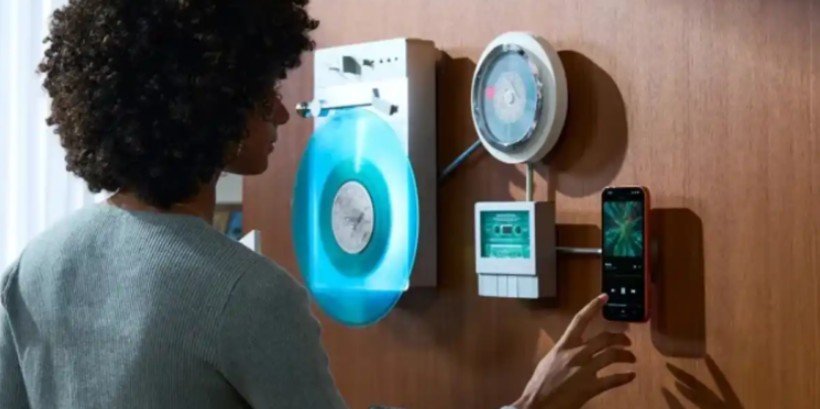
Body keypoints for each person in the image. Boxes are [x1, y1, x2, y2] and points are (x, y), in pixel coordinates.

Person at [0, 1, 636, 408]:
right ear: (204, 106)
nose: (282, 113)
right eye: (261, 94)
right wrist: (532, 404)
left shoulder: (32, 268)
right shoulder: (248, 294)